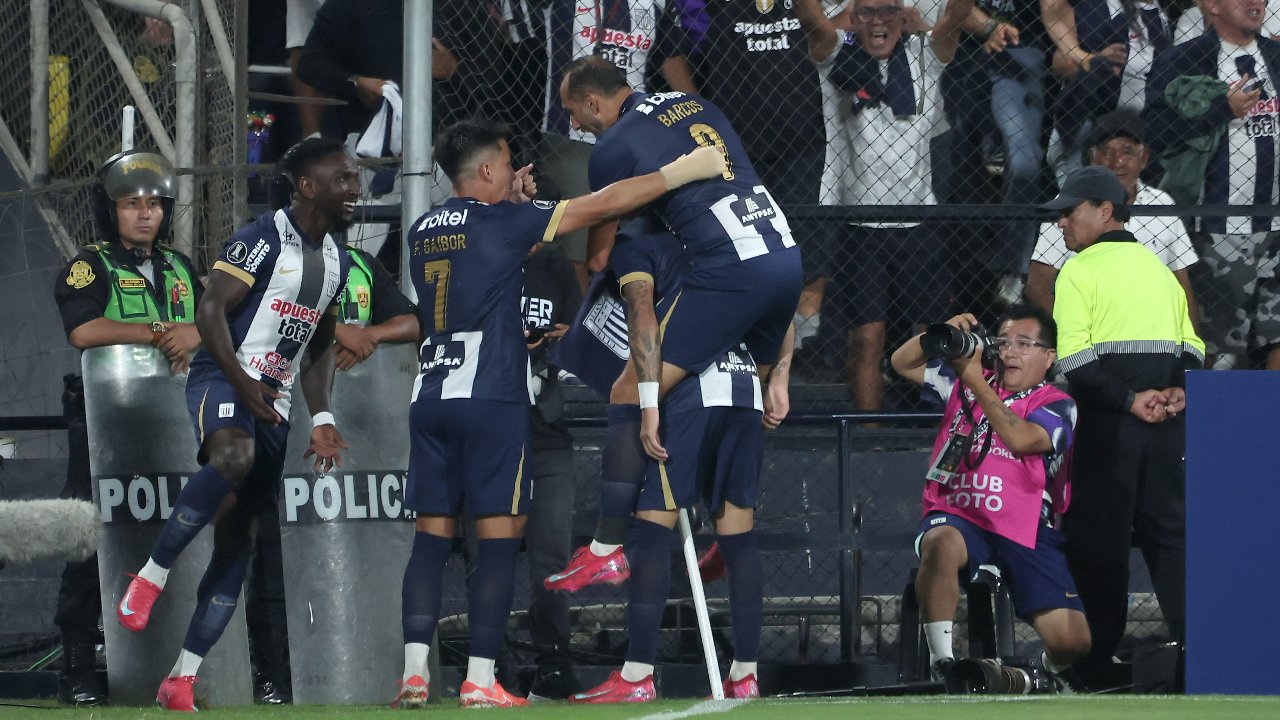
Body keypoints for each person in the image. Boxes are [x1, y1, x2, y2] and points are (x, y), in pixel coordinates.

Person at [391, 118, 726, 709]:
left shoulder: (423, 229)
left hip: (430, 395)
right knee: (498, 541)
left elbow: (485, 248)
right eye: (506, 161)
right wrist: (679, 172)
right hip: (490, 397)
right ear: (490, 169)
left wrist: (516, 208)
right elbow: (604, 203)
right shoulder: (506, 220)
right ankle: (479, 680)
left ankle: (414, 674)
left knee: (431, 539)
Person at [112, 137, 355, 712]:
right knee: (232, 457)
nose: (355, 187)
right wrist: (242, 382)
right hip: (223, 379)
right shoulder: (262, 236)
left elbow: (317, 342)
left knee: (239, 540)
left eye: (355, 177)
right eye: (342, 177)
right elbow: (211, 308)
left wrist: (320, 416)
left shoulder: (339, 259)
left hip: (272, 400)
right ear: (307, 185)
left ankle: (182, 678)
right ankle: (150, 575)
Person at [559, 55, 804, 465]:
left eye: (572, 113)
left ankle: (620, 524)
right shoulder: (698, 104)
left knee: (629, 392)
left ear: (591, 102)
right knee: (742, 403)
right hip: (785, 259)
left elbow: (599, 257)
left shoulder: (612, 147)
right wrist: (782, 373)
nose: (575, 126)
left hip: (731, 273)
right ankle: (721, 508)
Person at [1042, 165, 1203, 689]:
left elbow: (1078, 362)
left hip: (1110, 430)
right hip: (1169, 426)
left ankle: (1095, 667)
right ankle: (1195, 659)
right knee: (1171, 539)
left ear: (1104, 211)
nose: (1062, 222)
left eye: (1070, 211)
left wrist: (1131, 400)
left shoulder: (1078, 273)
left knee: (1098, 545)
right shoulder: (1159, 270)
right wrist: (1179, 390)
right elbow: (1193, 346)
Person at [52, 149, 203, 706]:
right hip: (104, 419)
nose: (146, 215)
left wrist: (196, 334)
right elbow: (83, 330)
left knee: (179, 527)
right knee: (92, 531)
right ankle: (76, 666)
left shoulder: (181, 266)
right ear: (109, 209)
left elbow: (209, 326)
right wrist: (161, 330)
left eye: (154, 204)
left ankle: (180, 659)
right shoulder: (88, 264)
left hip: (177, 415)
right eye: (132, 204)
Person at [242, 237, 417, 705]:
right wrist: (337, 331)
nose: (349, 202)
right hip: (276, 420)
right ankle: (276, 674)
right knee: (274, 554)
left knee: (356, 551)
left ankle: (370, 666)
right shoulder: (270, 258)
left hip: (352, 436)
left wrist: (372, 336)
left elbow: (413, 322)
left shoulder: (360, 262)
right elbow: (255, 317)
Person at [890, 305, 1090, 691]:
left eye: (1025, 344)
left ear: (1049, 357)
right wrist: (941, 331)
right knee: (939, 542)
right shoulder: (965, 381)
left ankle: (1041, 672)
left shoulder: (1057, 403)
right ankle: (943, 664)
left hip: (1026, 523)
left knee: (1073, 642)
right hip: (959, 513)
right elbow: (901, 361)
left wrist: (972, 379)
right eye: (1004, 342)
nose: (1010, 351)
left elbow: (1021, 438)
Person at [793, 0, 969, 413]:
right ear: (853, 17)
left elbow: (957, 16)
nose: (878, 21)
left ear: (903, 15)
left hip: (918, 219)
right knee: (866, 341)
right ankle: (867, 450)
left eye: (888, 11)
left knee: (934, 338)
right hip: (860, 223)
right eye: (868, 12)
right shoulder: (839, 54)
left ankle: (938, 435)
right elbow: (809, 17)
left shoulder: (926, 53)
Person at [1143, 0, 1280, 369]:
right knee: (1224, 349)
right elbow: (1154, 133)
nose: (1256, 3)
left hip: (1278, 222)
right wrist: (1222, 110)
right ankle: (1221, 425)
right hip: (1218, 227)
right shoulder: (1184, 59)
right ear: (1212, 5)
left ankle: (1272, 425)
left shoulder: (1277, 56)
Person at [540, 0, 700, 291]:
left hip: (636, 139)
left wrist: (698, 112)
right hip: (570, 139)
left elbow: (670, 57)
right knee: (578, 253)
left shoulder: (657, 3)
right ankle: (582, 327)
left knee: (642, 238)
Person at [1026, 109, 1201, 327]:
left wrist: (1191, 349)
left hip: (1156, 336)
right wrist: (1074, 331)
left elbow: (1182, 286)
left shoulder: (1162, 204)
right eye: (1105, 151)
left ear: (1144, 158)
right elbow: (1037, 284)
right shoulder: (1069, 204)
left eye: (1127, 152)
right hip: (1091, 331)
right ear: (1092, 157)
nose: (1116, 161)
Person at [519, 242, 585, 700]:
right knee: (490, 554)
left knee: (551, 557)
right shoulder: (480, 252)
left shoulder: (553, 265)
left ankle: (555, 666)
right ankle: (490, 668)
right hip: (494, 425)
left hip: (547, 425)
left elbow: (580, 332)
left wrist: (566, 338)